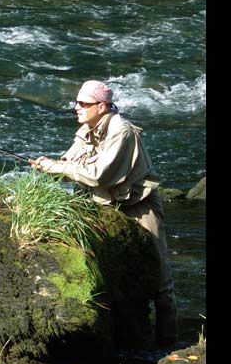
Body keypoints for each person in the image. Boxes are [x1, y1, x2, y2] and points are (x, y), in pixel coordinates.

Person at [30, 80, 177, 348]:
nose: (76, 108)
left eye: (83, 104)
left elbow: (101, 176)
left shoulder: (121, 131)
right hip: (106, 206)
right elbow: (69, 162)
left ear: (102, 106)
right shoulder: (86, 129)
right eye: (76, 102)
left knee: (160, 279)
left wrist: (58, 168)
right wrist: (48, 166)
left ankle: (167, 344)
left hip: (139, 206)